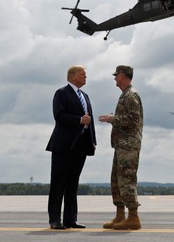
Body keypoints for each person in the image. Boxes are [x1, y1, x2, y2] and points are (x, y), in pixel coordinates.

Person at [45, 65, 96, 230]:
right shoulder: (61, 93)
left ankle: (70, 219)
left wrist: (92, 140)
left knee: (73, 183)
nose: (85, 77)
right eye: (83, 75)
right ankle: (54, 220)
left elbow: (90, 120)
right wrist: (79, 120)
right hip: (64, 145)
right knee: (58, 182)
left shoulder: (85, 96)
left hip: (81, 145)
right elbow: (59, 116)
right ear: (73, 76)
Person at [97, 64, 144, 230]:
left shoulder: (131, 96)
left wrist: (113, 119)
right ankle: (120, 215)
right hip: (121, 146)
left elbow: (133, 120)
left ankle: (133, 217)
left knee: (126, 180)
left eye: (116, 75)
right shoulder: (125, 95)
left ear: (123, 75)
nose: (115, 79)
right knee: (117, 181)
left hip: (128, 146)